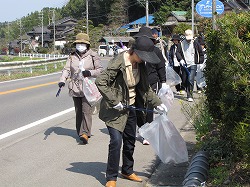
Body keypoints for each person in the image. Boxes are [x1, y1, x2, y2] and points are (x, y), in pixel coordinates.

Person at [95, 36, 168, 187]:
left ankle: (127, 170)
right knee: (116, 141)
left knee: (130, 140)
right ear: (134, 51)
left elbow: (145, 89)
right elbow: (101, 82)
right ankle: (111, 177)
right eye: (143, 56)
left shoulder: (140, 65)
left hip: (131, 107)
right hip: (115, 109)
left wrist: (158, 103)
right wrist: (115, 101)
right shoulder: (119, 62)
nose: (144, 59)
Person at [58, 32, 103, 144]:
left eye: (82, 43)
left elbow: (100, 70)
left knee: (86, 111)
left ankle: (86, 133)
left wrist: (89, 72)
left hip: (88, 87)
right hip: (75, 87)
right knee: (78, 111)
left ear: (87, 45)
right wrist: (62, 80)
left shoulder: (93, 55)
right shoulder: (72, 56)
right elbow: (67, 69)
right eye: (78, 43)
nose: (80, 45)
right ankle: (80, 132)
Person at [133, 26, 167, 145]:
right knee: (138, 107)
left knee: (149, 108)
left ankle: (148, 132)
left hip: (152, 81)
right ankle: (141, 128)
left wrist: (163, 82)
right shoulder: (134, 51)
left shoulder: (156, 51)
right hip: (137, 82)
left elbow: (161, 66)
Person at [176, 29, 204, 102]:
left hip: (193, 64)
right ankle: (185, 87)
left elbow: (200, 52)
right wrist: (180, 59)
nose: (189, 40)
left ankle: (189, 95)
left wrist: (200, 61)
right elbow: (177, 53)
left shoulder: (195, 43)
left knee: (190, 79)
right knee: (185, 79)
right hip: (184, 64)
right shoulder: (181, 44)